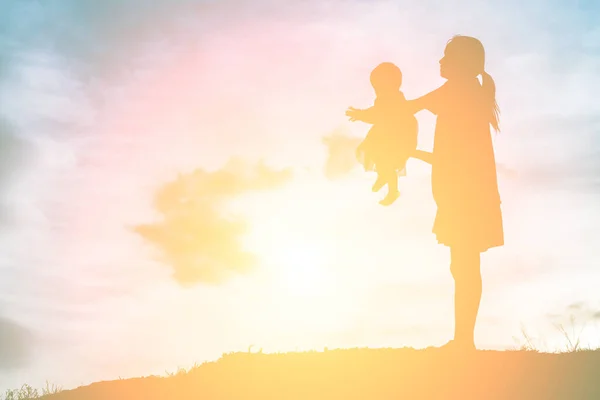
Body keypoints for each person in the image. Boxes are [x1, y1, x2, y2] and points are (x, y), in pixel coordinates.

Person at [408, 35, 504, 351]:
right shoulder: (469, 93)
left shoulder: (456, 91)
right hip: (468, 195)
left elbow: (411, 107)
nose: (440, 60)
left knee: (463, 266)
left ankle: (464, 341)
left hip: (464, 197)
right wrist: (413, 152)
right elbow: (448, 156)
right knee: (463, 266)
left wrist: (380, 110)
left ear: (460, 64)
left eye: (446, 55)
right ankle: (464, 339)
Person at [346, 62, 418, 206]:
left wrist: (361, 114)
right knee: (376, 155)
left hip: (396, 134)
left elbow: (378, 114)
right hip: (385, 133)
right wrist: (362, 114)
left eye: (379, 87)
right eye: (375, 88)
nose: (377, 91)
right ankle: (383, 175)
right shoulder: (385, 99)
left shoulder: (393, 100)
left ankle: (393, 191)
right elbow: (376, 112)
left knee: (385, 161)